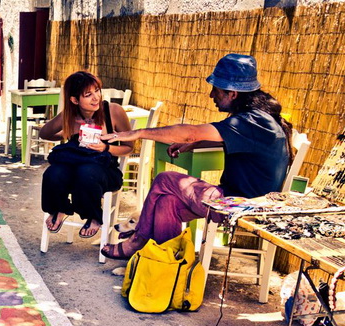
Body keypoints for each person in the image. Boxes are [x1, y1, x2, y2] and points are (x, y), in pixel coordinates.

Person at [98, 53, 291, 259]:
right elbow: (227, 139)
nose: (211, 95)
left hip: (245, 206)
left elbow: (191, 132)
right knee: (167, 202)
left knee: (165, 179)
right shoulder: (258, 119)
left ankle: (136, 241)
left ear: (232, 93)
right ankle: (168, 266)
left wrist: (138, 133)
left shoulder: (251, 121)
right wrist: (193, 145)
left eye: (215, 90)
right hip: (238, 200)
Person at [39, 71, 135, 237]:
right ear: (75, 100)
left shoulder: (113, 111)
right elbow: (44, 133)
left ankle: (94, 216)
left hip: (104, 171)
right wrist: (67, 132)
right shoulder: (70, 116)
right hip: (74, 167)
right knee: (52, 173)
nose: (96, 97)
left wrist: (106, 148)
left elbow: (129, 147)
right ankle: (60, 208)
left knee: (86, 173)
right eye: (88, 94)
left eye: (97, 90)